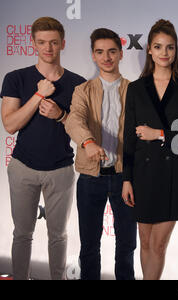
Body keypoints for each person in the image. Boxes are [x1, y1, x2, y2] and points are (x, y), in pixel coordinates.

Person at [0, 17, 85, 280]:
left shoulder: (78, 83)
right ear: (33, 43)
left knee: (58, 235)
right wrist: (38, 95)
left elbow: (84, 130)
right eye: (42, 42)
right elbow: (10, 124)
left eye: (53, 42)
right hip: (23, 167)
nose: (48, 48)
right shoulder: (16, 78)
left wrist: (60, 114)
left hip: (61, 169)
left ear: (62, 43)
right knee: (22, 233)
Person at [122, 19, 178, 280]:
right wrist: (127, 178)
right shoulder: (135, 88)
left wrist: (159, 134)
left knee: (159, 244)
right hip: (142, 174)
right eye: (158, 46)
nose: (164, 53)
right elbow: (128, 138)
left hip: (173, 173)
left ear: (176, 51)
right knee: (144, 242)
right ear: (149, 51)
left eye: (170, 47)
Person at [65, 28, 136, 280]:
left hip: (125, 178)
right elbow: (73, 120)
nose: (106, 57)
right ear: (93, 56)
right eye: (100, 52)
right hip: (89, 178)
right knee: (89, 247)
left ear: (120, 54)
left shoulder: (134, 90)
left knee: (127, 245)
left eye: (112, 51)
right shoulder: (82, 90)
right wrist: (88, 142)